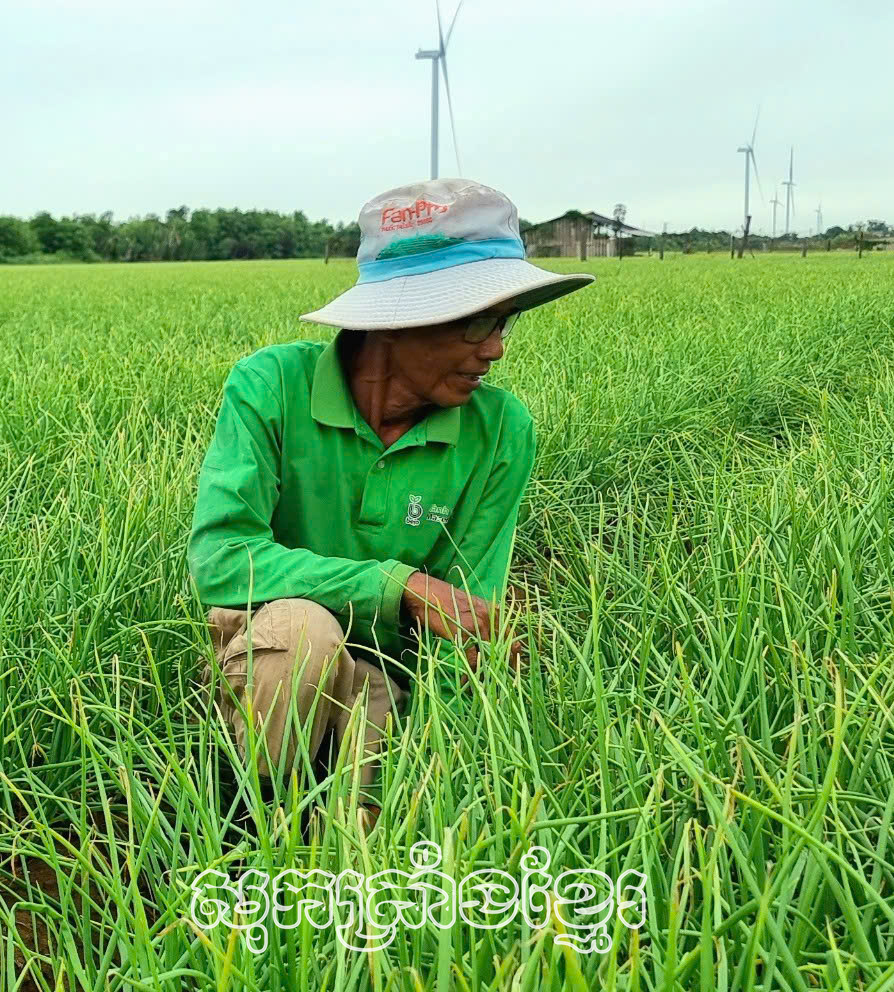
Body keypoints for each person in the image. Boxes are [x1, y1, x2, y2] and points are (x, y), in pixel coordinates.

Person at [187, 178, 592, 824]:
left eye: (503, 320)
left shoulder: (501, 431)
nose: (496, 348)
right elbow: (223, 561)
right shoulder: (270, 388)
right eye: (475, 322)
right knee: (304, 636)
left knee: (363, 840)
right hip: (271, 657)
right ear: (397, 322)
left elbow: (466, 626)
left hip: (384, 678)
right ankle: (235, 831)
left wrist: (444, 758)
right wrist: (400, 586)